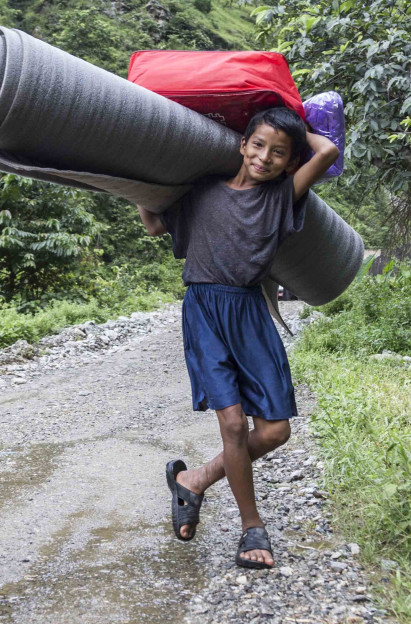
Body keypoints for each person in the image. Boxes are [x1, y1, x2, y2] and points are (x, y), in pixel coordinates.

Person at [138, 107, 339, 569]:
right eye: (259, 145)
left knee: (274, 431)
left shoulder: (281, 197)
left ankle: (195, 480)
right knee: (231, 424)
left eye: (279, 152)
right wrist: (134, 180)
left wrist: (291, 116)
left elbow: (326, 149)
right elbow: (152, 223)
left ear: (290, 163)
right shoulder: (202, 192)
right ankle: (253, 527)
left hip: (250, 310)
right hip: (205, 311)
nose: (265, 157)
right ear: (242, 144)